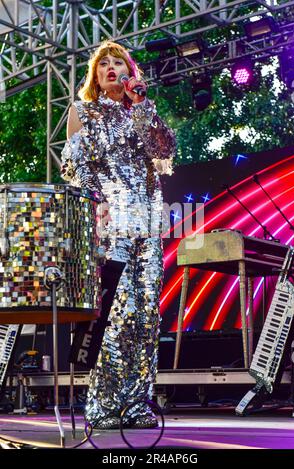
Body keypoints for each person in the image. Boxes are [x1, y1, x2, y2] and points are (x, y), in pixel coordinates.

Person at [60, 40, 176, 429]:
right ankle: (105, 405)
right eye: (103, 64)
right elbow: (74, 169)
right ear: (95, 75)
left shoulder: (141, 109)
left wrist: (141, 106)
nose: (111, 68)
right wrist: (100, 203)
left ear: (130, 74)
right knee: (117, 313)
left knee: (145, 316)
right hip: (113, 226)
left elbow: (164, 152)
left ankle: (137, 405)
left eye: (118, 63)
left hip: (148, 224)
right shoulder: (83, 111)